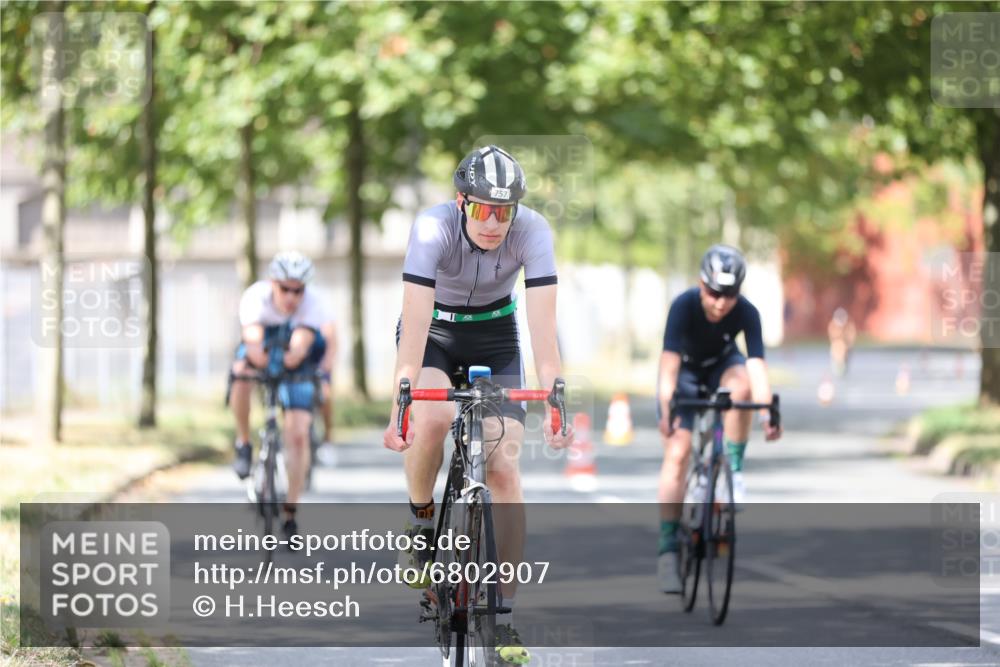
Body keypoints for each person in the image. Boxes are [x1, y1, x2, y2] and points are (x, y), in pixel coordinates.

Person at [382, 145, 574, 665]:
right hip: (435, 334)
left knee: (504, 466)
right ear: (461, 201)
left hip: (495, 339)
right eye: (482, 209)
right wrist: (401, 399)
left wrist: (557, 399)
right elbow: (415, 322)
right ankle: (422, 523)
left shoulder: (533, 232)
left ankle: (504, 618)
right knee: (435, 417)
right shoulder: (431, 229)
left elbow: (542, 331)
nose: (493, 222)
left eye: (504, 211)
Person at [655, 244, 782, 593]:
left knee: (740, 388)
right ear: (701, 284)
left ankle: (733, 472)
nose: (721, 302)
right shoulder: (683, 306)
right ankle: (667, 551)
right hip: (685, 374)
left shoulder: (747, 312)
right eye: (713, 292)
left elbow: (755, 365)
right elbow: (668, 363)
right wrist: (665, 408)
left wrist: (768, 410)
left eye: (730, 295)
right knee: (678, 453)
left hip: (724, 369)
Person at [230, 251, 337, 541]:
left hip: (298, 355)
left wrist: (309, 368)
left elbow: (296, 354)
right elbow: (252, 346)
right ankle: (243, 442)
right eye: (285, 289)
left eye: (297, 290)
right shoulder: (255, 298)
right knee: (239, 376)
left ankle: (290, 511)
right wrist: (255, 368)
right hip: (263, 343)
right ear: (272, 283)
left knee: (298, 434)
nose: (291, 297)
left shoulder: (313, 305)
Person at [827, 307, 857, 377]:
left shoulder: (849, 325)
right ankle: (837, 364)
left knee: (846, 352)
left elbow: (851, 336)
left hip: (847, 345)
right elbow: (833, 337)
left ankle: (844, 364)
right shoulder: (832, 325)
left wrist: (848, 344)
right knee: (837, 347)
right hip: (837, 345)